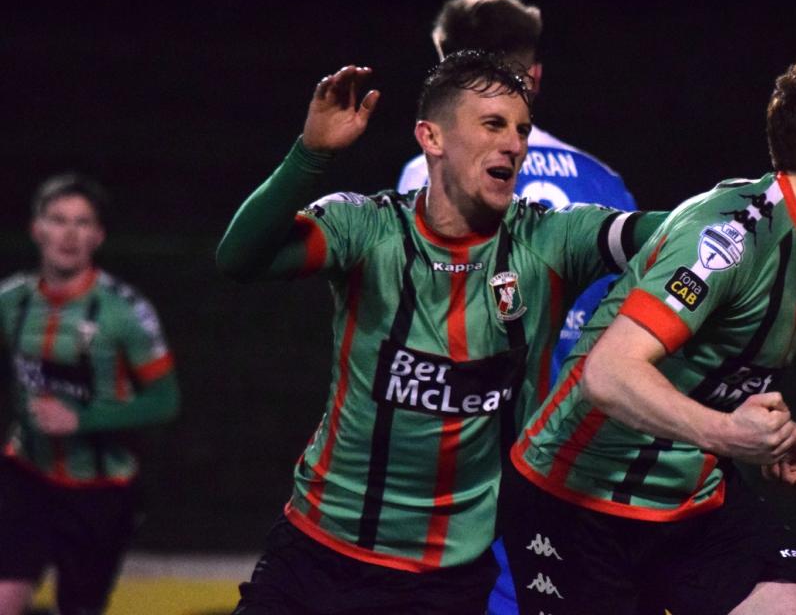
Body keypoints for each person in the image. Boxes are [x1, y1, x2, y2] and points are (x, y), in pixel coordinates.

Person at [217, 52, 660, 614]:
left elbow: (671, 232)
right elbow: (239, 258)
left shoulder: (550, 240)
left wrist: (749, 208)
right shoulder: (367, 228)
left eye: (521, 129)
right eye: (493, 125)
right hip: (317, 553)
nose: (515, 145)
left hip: (445, 584)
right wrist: (311, 154)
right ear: (432, 137)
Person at [507, 51, 796, 615]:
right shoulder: (731, 236)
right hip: (579, 505)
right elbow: (608, 374)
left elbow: (708, 367)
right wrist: (729, 433)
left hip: (691, 498)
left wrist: (761, 433)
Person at [400, 0, 638, 614]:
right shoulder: (603, 180)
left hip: (473, 451)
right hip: (586, 447)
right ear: (534, 73)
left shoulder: (429, 170)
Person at [0, 174, 181, 615]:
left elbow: (166, 400)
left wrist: (82, 420)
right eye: (58, 220)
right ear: (37, 229)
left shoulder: (125, 311)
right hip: (25, 472)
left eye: (82, 223)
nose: (69, 234)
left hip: (100, 492)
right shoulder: (11, 302)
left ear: (98, 236)